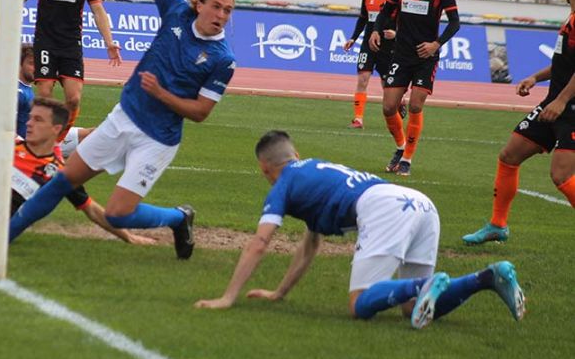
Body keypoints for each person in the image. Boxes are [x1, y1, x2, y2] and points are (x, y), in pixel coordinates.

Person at [6, 0, 237, 259]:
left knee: (117, 213)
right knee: (60, 181)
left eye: (228, 11)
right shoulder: (176, 10)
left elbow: (201, 112)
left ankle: (179, 217)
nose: (222, 15)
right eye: (217, 6)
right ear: (200, 6)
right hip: (122, 119)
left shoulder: (223, 59)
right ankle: (0, 239)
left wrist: (160, 94)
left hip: (157, 138)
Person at [194, 131, 526, 331]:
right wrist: (279, 292)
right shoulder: (314, 168)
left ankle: (425, 283)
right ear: (296, 154)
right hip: (421, 204)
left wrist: (228, 297)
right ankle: (487, 278)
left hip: (384, 208)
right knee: (413, 308)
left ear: (265, 168)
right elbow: (310, 243)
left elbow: (260, 241)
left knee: (359, 305)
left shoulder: (283, 184)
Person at [0, 98, 155, 248]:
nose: (29, 123)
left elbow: (90, 208)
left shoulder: (59, 172)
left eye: (37, 120)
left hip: (5, 221)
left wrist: (128, 237)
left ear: (57, 129)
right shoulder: (9, 143)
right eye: (30, 118)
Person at [464, 0, 575, 244]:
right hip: (555, 102)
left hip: (570, 107)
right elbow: (565, 64)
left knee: (561, 175)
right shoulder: (571, 18)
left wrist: (561, 101)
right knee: (509, 155)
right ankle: (498, 225)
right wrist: (535, 78)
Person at [3, 0, 120, 132]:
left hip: (70, 43)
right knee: (45, 95)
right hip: (45, 41)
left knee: (73, 99)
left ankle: (56, 140)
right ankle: (37, 139)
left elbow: (98, 10)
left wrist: (109, 42)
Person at [369, 0, 460, 176]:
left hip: (425, 57)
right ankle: (400, 147)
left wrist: (436, 44)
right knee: (389, 107)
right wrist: (376, 31)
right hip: (401, 54)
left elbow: (454, 23)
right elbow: (386, 11)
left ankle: (407, 158)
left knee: (416, 104)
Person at [343, 0, 396, 129]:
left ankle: (394, 113)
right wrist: (353, 38)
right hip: (367, 45)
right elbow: (362, 20)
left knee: (387, 85)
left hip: (388, 47)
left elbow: (403, 21)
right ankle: (358, 118)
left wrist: (396, 34)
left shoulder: (396, 0)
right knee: (363, 78)